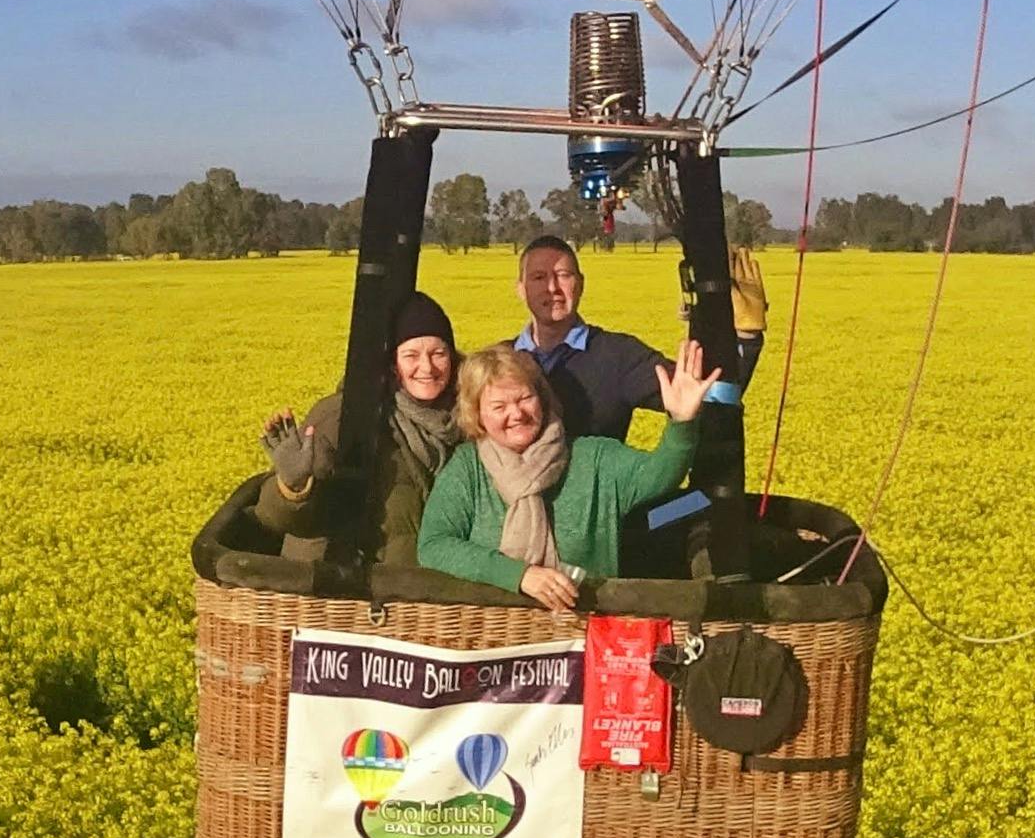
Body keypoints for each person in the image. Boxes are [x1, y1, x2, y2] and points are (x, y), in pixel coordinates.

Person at [418, 340, 721, 611]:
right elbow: (434, 545)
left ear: (542, 398)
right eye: (499, 406)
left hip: (582, 631)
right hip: (492, 635)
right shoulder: (467, 467)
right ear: (477, 414)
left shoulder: (593, 458)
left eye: (525, 398)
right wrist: (519, 575)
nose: (517, 413)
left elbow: (660, 474)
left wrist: (682, 422)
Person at [248, 291, 460, 565]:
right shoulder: (344, 416)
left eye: (438, 353)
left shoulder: (471, 418)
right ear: (392, 363)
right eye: (411, 355)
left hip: (423, 587)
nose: (427, 367)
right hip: (343, 586)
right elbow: (275, 519)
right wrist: (292, 487)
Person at [513, 233, 765, 441]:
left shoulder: (619, 356)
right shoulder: (501, 361)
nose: (552, 288)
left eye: (563, 275)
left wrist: (747, 336)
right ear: (521, 290)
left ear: (580, 284)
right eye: (539, 277)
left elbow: (704, 394)